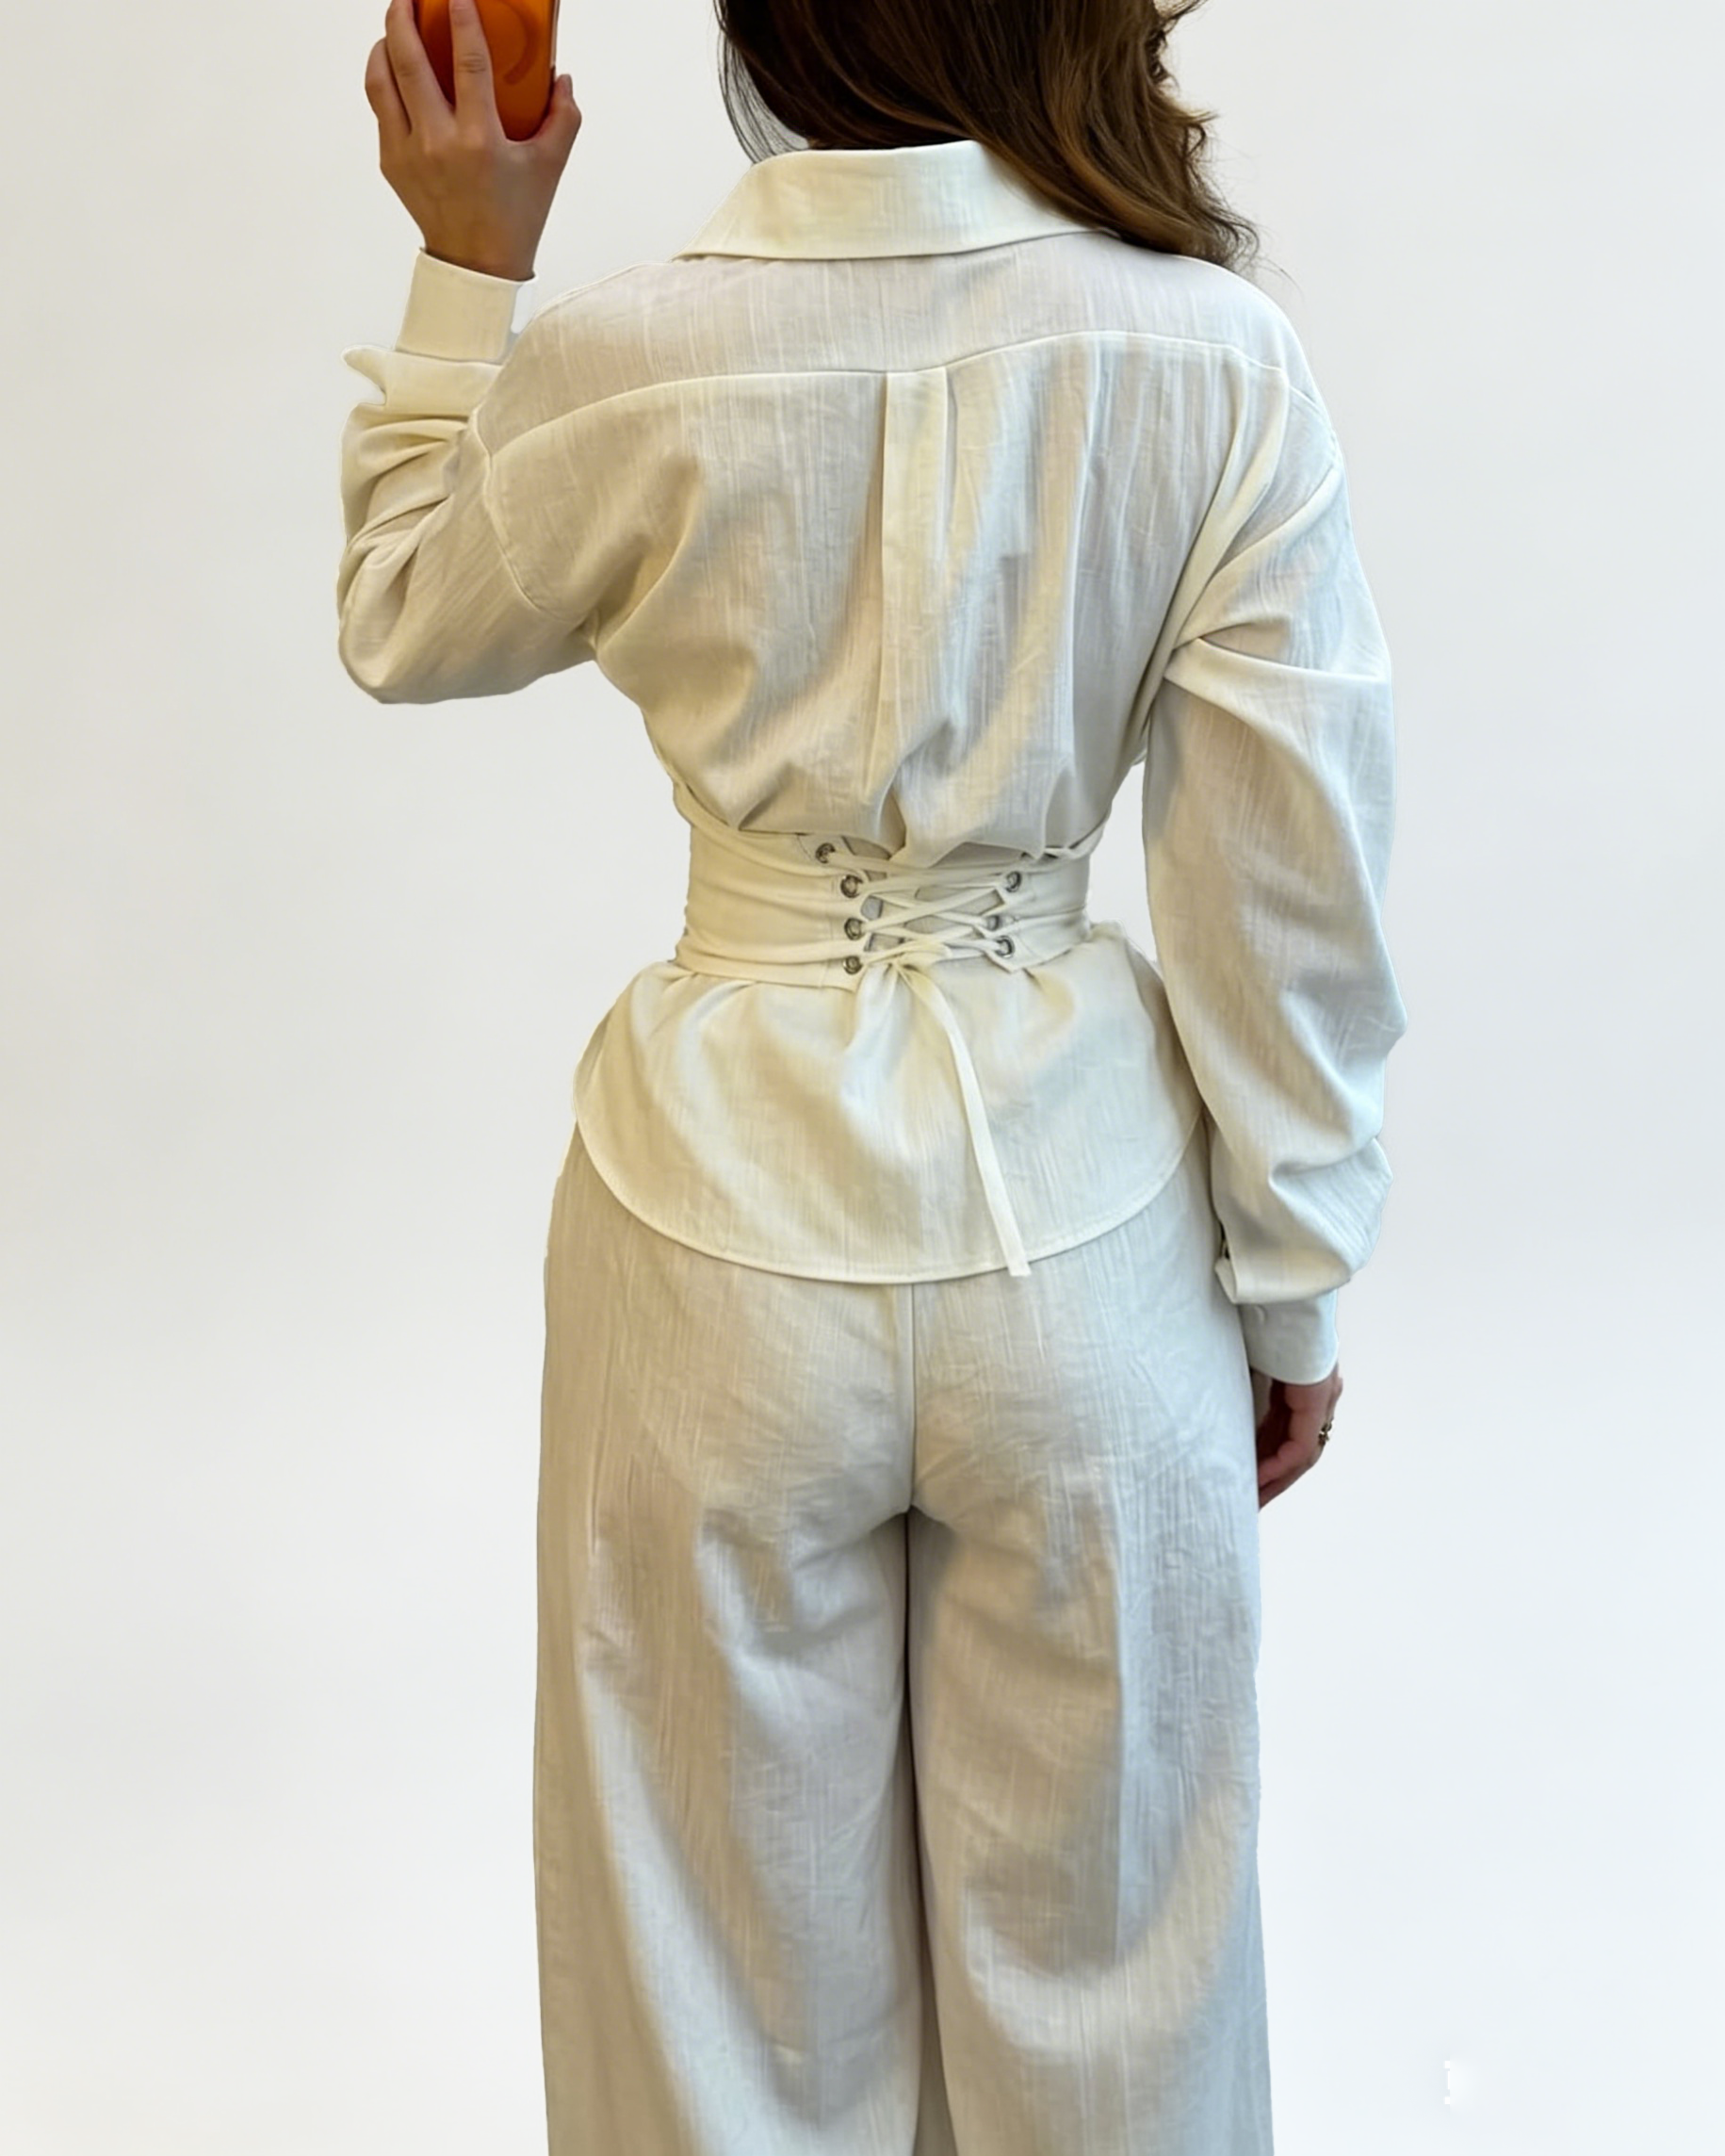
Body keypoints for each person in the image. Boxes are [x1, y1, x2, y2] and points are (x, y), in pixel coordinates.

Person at [342, 1, 1408, 2148]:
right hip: (1088, 1244)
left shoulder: (628, 355)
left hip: (709, 1235)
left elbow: (403, 612)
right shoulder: (1209, 359)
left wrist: (468, 255)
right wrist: (1289, 1282)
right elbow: (1287, 881)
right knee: (1121, 2001)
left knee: (714, 2015)